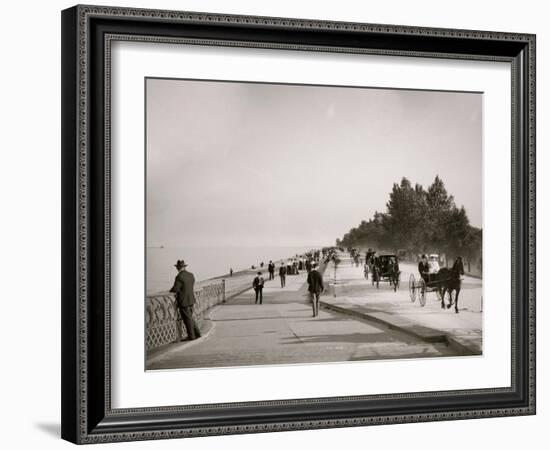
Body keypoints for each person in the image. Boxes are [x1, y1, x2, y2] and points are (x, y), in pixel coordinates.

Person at [170, 260, 201, 341]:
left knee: (187, 319)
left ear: (178, 268)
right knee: (190, 317)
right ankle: (197, 333)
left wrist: (170, 291)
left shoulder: (179, 276)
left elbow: (175, 288)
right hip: (191, 299)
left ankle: (191, 336)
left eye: (177, 267)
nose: (177, 269)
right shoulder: (191, 275)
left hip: (183, 301)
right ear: (184, 267)